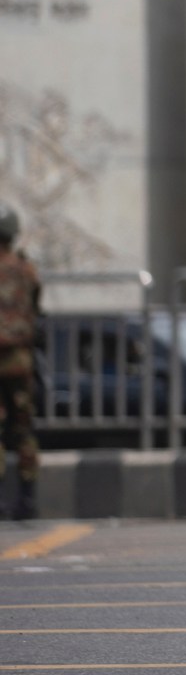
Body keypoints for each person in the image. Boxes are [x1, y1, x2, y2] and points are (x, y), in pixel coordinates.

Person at [0, 202, 39, 521]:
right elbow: (36, 305)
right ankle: (27, 500)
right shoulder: (26, 269)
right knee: (23, 430)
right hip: (20, 360)